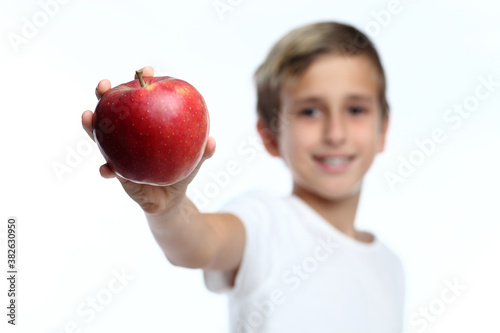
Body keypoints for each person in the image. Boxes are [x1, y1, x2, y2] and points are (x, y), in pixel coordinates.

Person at [82, 21, 405, 333]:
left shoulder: (390, 267)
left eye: (356, 110)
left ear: (383, 131)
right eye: (310, 111)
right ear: (270, 136)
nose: (336, 133)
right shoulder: (264, 221)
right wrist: (168, 208)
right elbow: (198, 243)